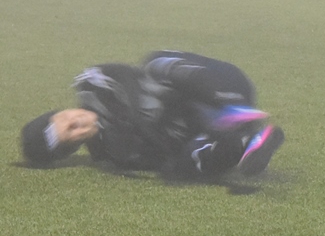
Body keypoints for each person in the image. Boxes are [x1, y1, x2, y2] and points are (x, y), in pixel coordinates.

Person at [21, 51, 285, 180]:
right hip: (204, 125)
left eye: (63, 119)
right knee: (180, 167)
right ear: (74, 146)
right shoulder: (112, 152)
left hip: (216, 85)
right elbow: (161, 158)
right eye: (71, 133)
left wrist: (136, 123)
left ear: (56, 113)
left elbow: (127, 78)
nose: (75, 122)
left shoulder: (92, 84)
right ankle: (246, 143)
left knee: (155, 63)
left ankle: (234, 110)